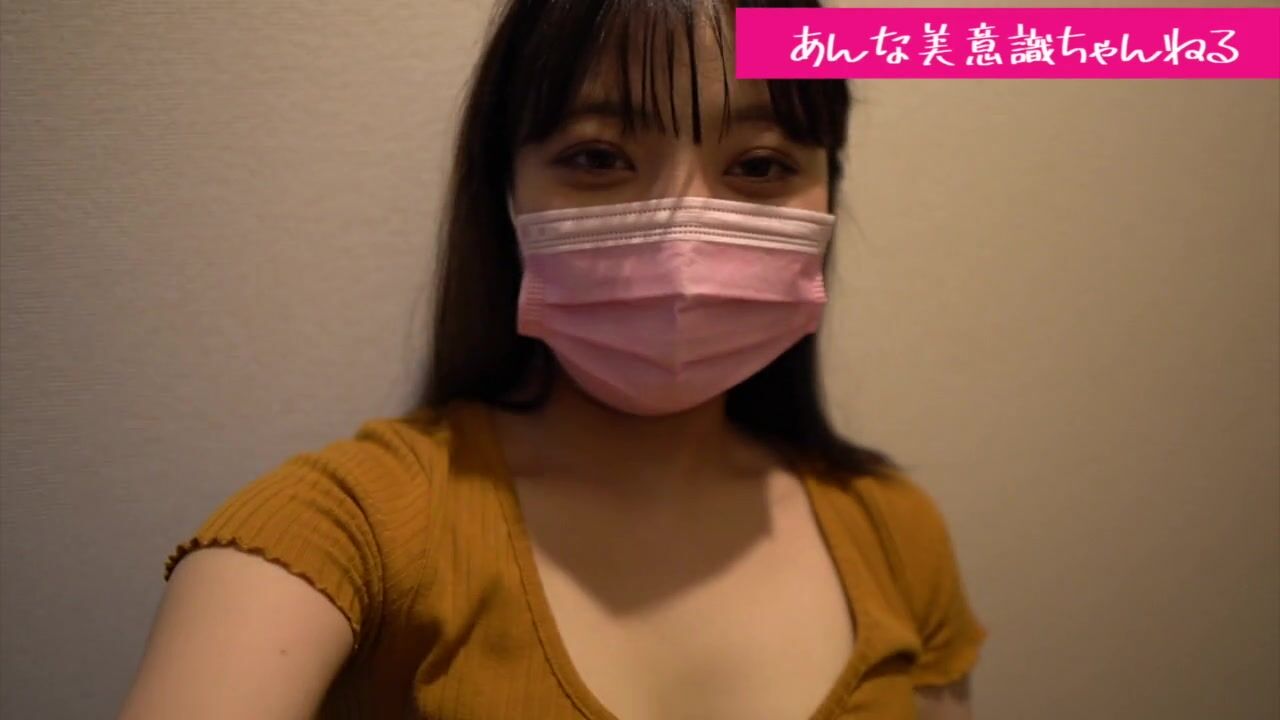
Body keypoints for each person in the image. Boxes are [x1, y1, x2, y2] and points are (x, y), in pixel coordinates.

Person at [118, 1, 987, 718]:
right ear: (507, 194)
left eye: (760, 165)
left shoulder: (893, 532)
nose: (680, 232)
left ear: (826, 194)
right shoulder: (349, 527)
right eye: (598, 157)